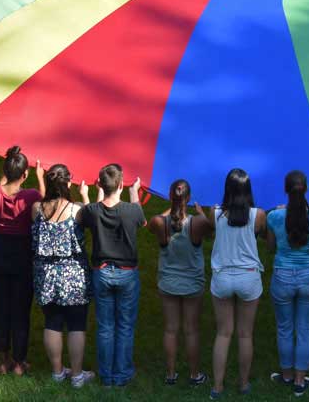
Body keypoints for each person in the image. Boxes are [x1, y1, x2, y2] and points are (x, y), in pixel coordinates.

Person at [77, 163, 145, 387]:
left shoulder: (93, 211)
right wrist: (135, 191)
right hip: (127, 274)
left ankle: (106, 376)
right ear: (121, 185)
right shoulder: (132, 210)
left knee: (105, 327)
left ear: (99, 184)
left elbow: (83, 215)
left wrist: (85, 195)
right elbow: (142, 220)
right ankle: (122, 374)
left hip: (102, 273)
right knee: (125, 326)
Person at [265, 171, 309, 396]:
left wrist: (277, 217)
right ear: (307, 189)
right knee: (305, 329)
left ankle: (286, 375)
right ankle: (300, 381)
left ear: (286, 190)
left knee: (284, 328)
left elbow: (270, 248)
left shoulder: (274, 216)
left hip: (282, 276)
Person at [0, 143, 42, 376]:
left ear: (4, 172)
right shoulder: (31, 196)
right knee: (21, 309)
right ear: (25, 174)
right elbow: (44, 206)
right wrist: (41, 178)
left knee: (1, 306)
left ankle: (3, 359)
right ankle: (19, 361)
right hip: (22, 253)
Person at [206, 168, 267, 398]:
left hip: (222, 276)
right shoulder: (258, 215)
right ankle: (243, 384)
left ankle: (217, 387)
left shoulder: (215, 214)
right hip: (248, 277)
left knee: (223, 333)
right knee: (245, 334)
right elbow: (260, 233)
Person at [35, 164, 95, 387]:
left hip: (46, 275)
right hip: (74, 276)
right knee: (76, 324)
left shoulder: (37, 209)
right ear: (68, 183)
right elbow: (93, 218)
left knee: (52, 322)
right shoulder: (77, 210)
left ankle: (57, 372)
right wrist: (85, 196)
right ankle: (77, 375)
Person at [148, 179, 210, 387]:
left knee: (170, 329)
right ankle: (194, 375)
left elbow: (154, 222)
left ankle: (170, 375)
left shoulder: (159, 222)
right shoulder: (198, 223)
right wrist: (199, 212)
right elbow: (210, 227)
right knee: (191, 330)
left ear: (170, 196)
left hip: (168, 283)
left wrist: (172, 207)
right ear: (189, 198)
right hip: (192, 284)